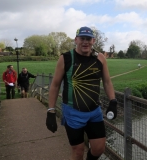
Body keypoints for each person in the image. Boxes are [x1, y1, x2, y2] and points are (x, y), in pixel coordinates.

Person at [46, 26, 117, 160]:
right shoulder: (66, 58)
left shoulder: (100, 58)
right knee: (78, 152)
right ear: (76, 40)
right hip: (73, 112)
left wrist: (113, 101)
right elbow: (55, 85)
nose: (85, 42)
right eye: (82, 38)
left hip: (94, 111)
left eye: (88, 39)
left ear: (93, 41)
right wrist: (51, 110)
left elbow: (107, 82)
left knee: (98, 148)